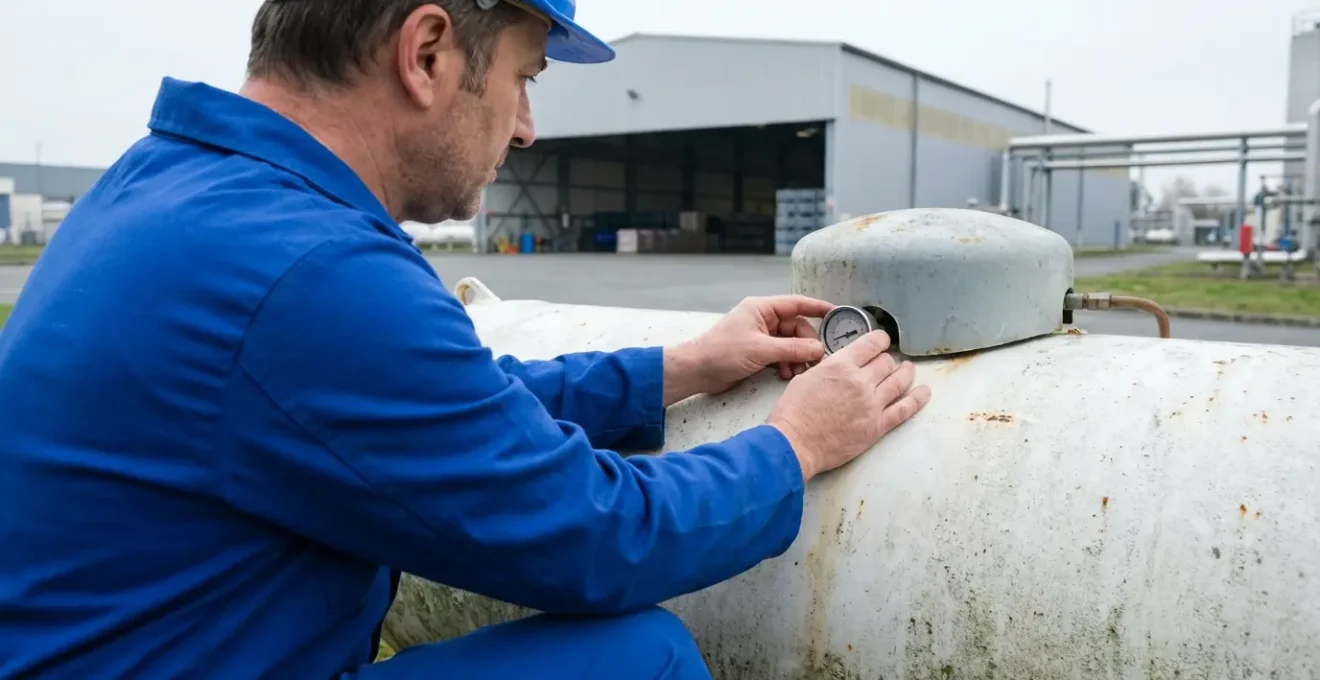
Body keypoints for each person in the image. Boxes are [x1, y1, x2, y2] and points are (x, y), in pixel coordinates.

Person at [0, 1, 931, 678]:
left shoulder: (176, 189)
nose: (528, 129)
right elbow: (593, 538)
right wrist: (795, 445)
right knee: (634, 658)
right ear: (430, 50)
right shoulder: (307, 270)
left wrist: (669, 372)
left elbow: (441, 404)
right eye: (526, 78)